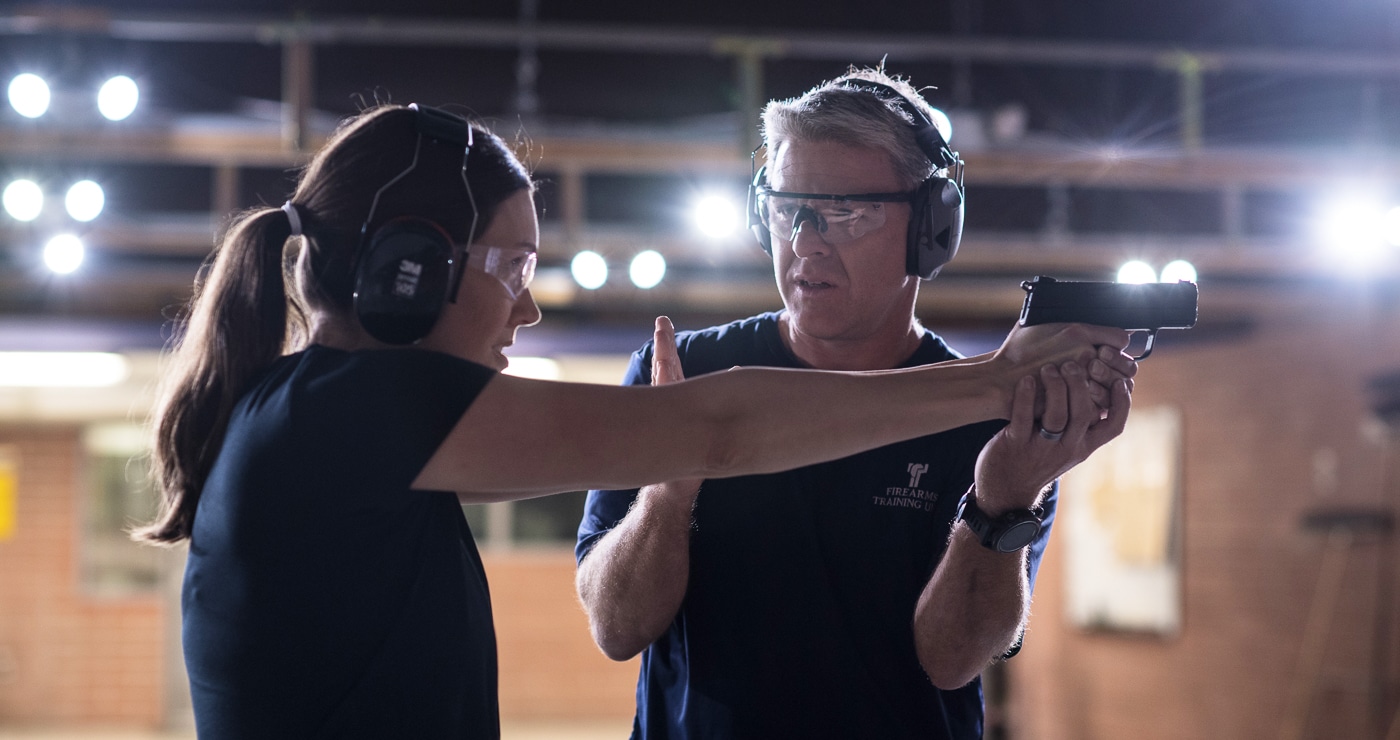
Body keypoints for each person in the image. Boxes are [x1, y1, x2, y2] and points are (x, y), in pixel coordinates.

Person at [133, 100, 1127, 739]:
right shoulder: (358, 408)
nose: (525, 307)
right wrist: (994, 383)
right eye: (512, 270)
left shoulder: (312, 409)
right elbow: (719, 429)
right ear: (412, 269)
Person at [575, 67, 1137, 739]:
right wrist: (670, 495)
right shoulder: (683, 377)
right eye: (787, 209)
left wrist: (1003, 502)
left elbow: (952, 661)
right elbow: (616, 627)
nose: (806, 240)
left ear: (929, 227)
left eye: (845, 212)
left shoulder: (992, 413)